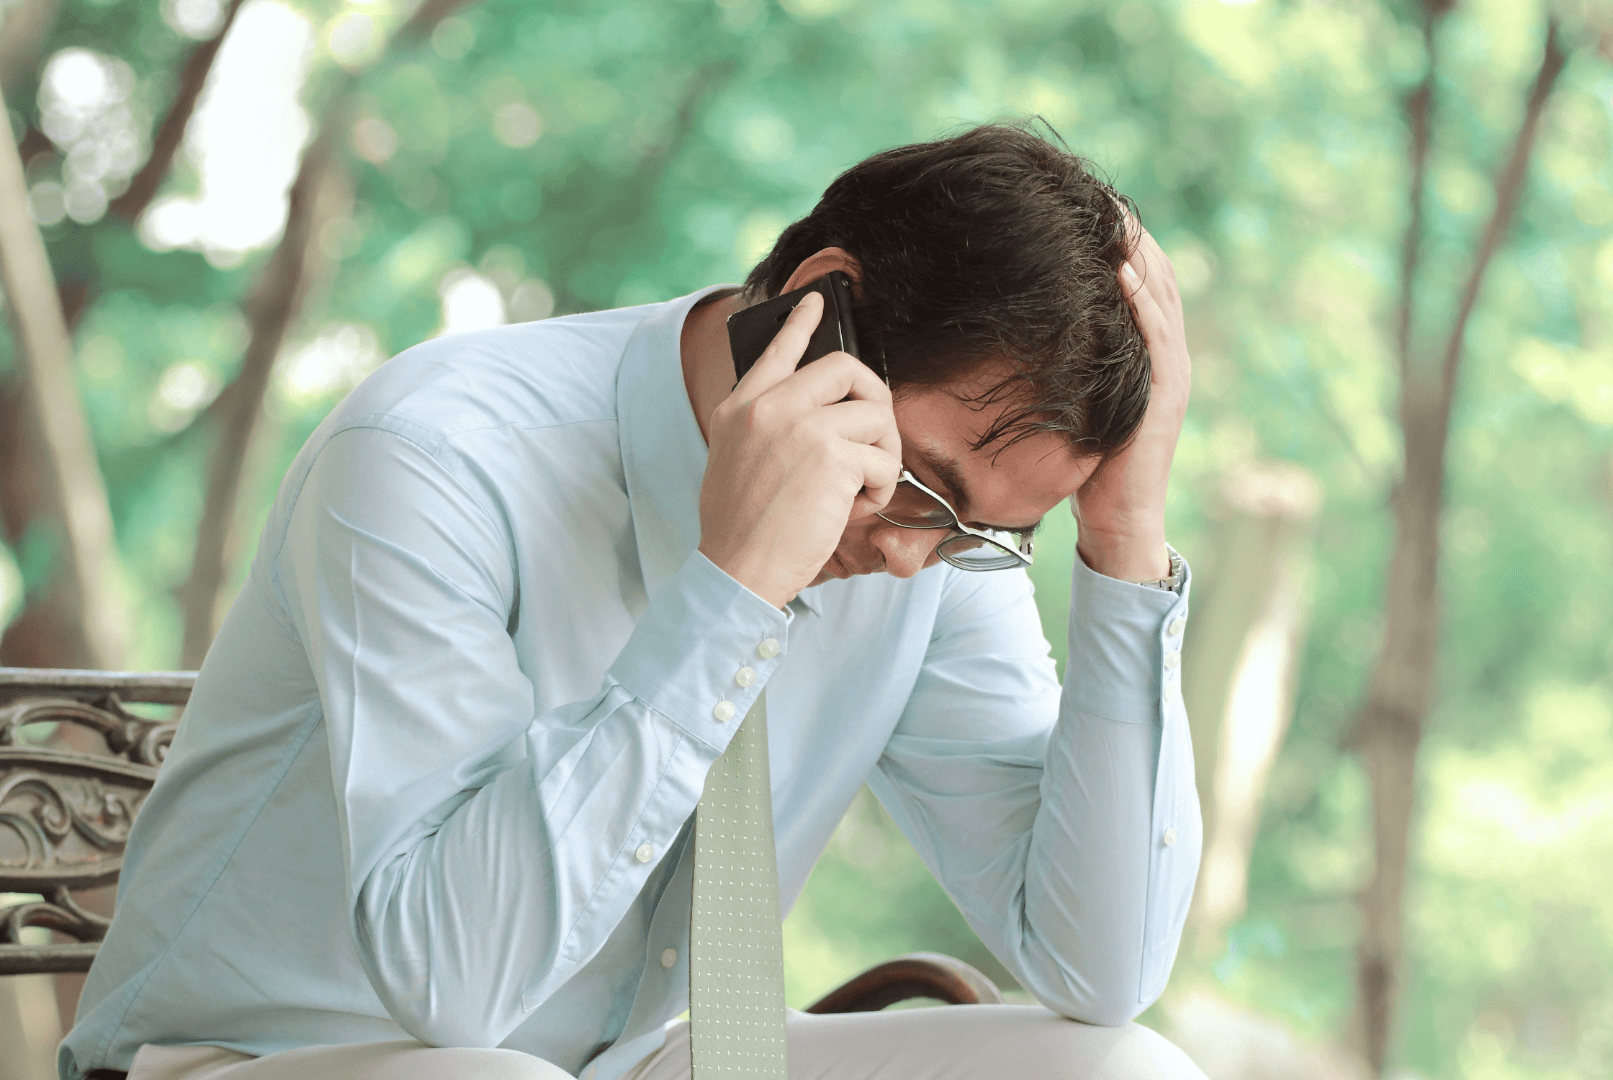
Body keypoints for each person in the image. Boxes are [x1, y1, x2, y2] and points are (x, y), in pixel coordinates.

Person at [62, 123, 1207, 1080]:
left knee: (1123, 1068)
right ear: (821, 311)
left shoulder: (931, 550)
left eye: (980, 535)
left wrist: (1123, 545)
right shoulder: (431, 455)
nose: (912, 561)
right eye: (920, 488)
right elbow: (454, 986)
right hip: (251, 1056)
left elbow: (1096, 967)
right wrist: (731, 590)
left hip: (620, 1063)